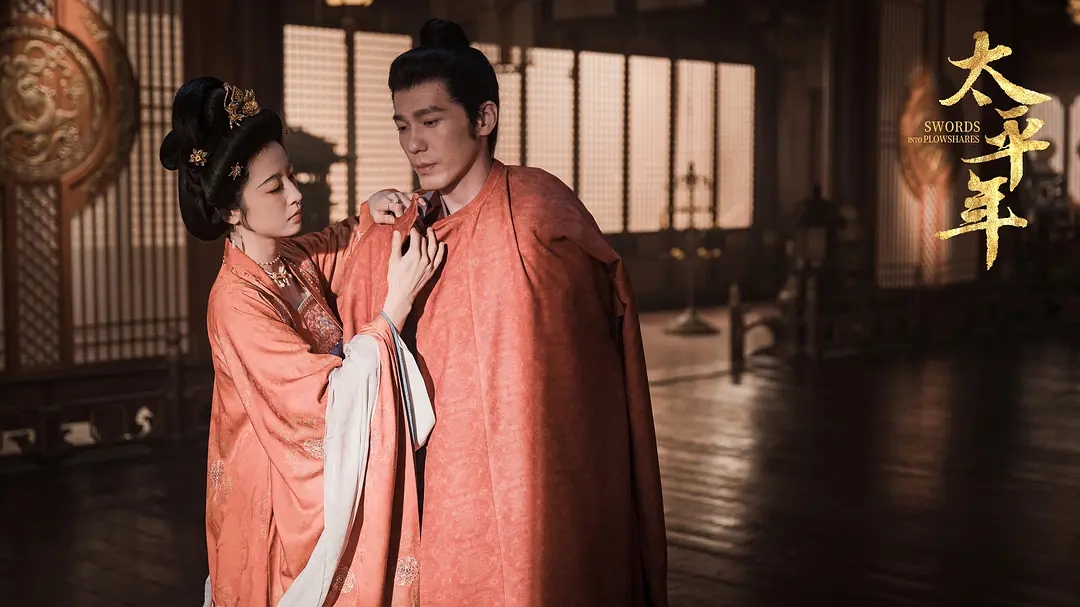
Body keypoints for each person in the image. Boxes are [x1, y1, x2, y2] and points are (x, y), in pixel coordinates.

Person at [353, 19, 668, 606]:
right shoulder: (404, 229)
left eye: (430, 121)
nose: (413, 144)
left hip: (543, 476)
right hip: (445, 480)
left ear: (484, 118)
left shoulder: (538, 210)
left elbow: (585, 382)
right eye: (402, 125)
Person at [159, 76, 445, 607]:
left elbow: (333, 244)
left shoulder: (286, 257)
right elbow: (323, 402)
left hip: (286, 476)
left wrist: (369, 213)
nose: (295, 194)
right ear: (232, 211)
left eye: (290, 176)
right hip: (275, 491)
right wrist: (395, 309)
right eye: (274, 188)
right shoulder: (236, 301)